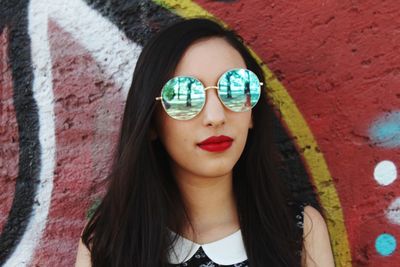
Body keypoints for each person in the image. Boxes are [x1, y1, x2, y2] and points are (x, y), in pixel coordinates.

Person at [75, 18, 334, 267]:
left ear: (252, 113)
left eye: (235, 89)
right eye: (185, 95)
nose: (215, 117)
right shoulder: (109, 240)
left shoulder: (298, 230)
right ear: (152, 121)